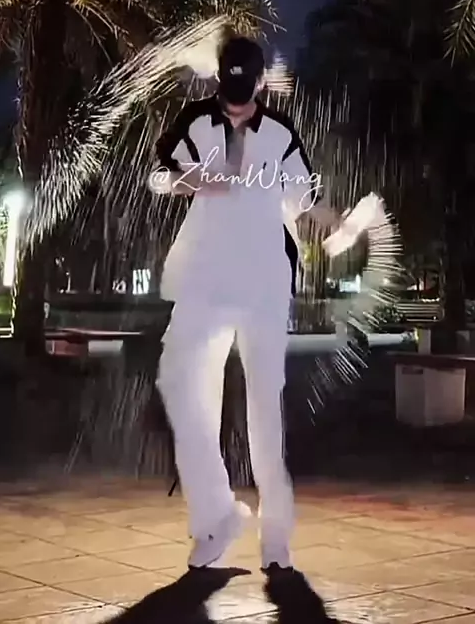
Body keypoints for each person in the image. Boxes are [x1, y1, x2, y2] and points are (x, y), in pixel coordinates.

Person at [154, 33, 338, 571]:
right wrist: (187, 181)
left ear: (260, 84)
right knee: (180, 384)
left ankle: (276, 538)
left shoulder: (280, 133)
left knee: (264, 406)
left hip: (262, 282)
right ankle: (216, 515)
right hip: (203, 280)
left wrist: (329, 216)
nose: (233, 103)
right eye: (226, 89)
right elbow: (159, 175)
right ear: (219, 79)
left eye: (243, 91)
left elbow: (304, 196)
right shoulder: (194, 121)